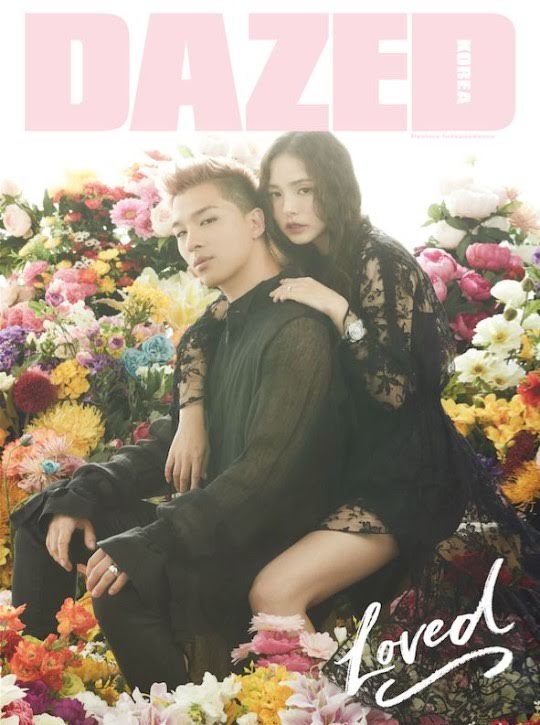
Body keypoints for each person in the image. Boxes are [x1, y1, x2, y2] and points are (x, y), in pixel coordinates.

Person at [165, 132, 540, 721]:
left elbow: (399, 394)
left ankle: (320, 713)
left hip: (406, 477)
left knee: (276, 591)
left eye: (305, 190)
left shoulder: (378, 257)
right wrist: (191, 416)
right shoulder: (302, 260)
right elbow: (203, 331)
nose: (290, 208)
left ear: (336, 187)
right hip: (343, 471)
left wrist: (340, 312)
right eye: (276, 193)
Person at [11, 157, 353, 692]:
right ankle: (31, 692)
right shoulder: (213, 329)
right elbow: (171, 442)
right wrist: (86, 488)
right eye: (180, 231)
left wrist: (152, 540)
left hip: (259, 535)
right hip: (209, 520)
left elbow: (265, 475)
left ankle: (185, 708)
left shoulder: (297, 329)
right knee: (49, 513)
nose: (192, 241)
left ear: (256, 222)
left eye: (208, 220)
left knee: (127, 575)